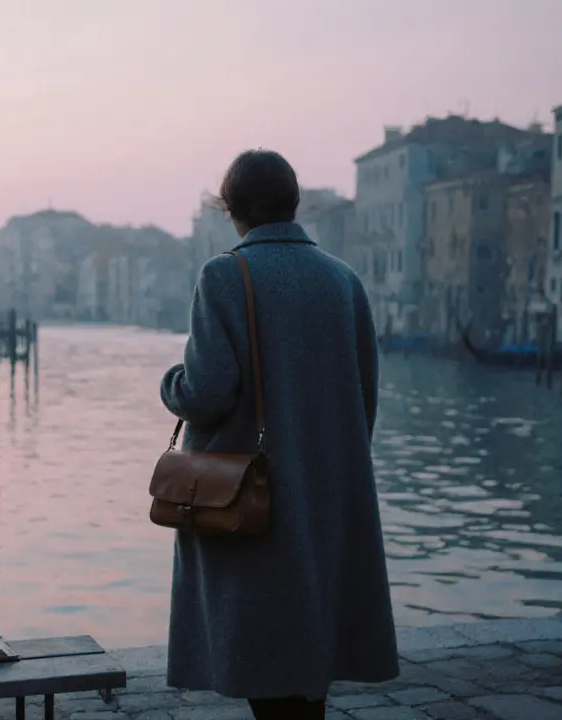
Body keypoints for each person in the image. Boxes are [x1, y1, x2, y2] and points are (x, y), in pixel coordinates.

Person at [159, 149, 398, 720]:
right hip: (327, 492)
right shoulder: (344, 280)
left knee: (263, 653)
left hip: (251, 496)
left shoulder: (224, 274)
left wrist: (172, 386)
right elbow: (365, 395)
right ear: (295, 204)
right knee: (306, 654)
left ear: (233, 210)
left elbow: (209, 391)